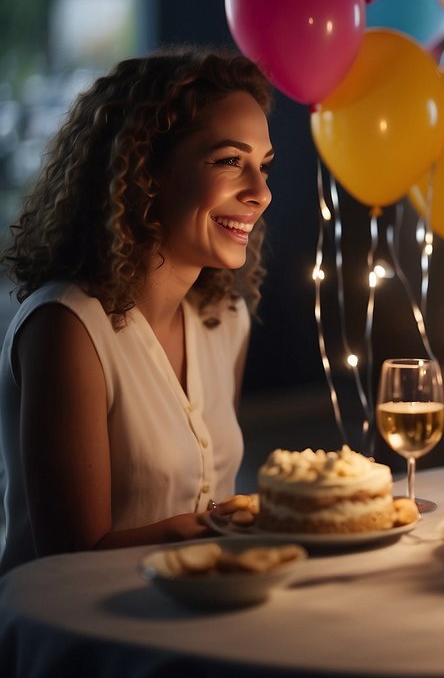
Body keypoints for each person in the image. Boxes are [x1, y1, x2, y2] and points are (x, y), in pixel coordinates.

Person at [0, 47, 275, 574]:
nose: (260, 193)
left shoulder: (226, 320)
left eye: (263, 166)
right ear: (147, 169)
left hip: (196, 619)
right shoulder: (68, 326)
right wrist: (251, 521)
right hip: (83, 641)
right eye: (229, 161)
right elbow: (72, 559)